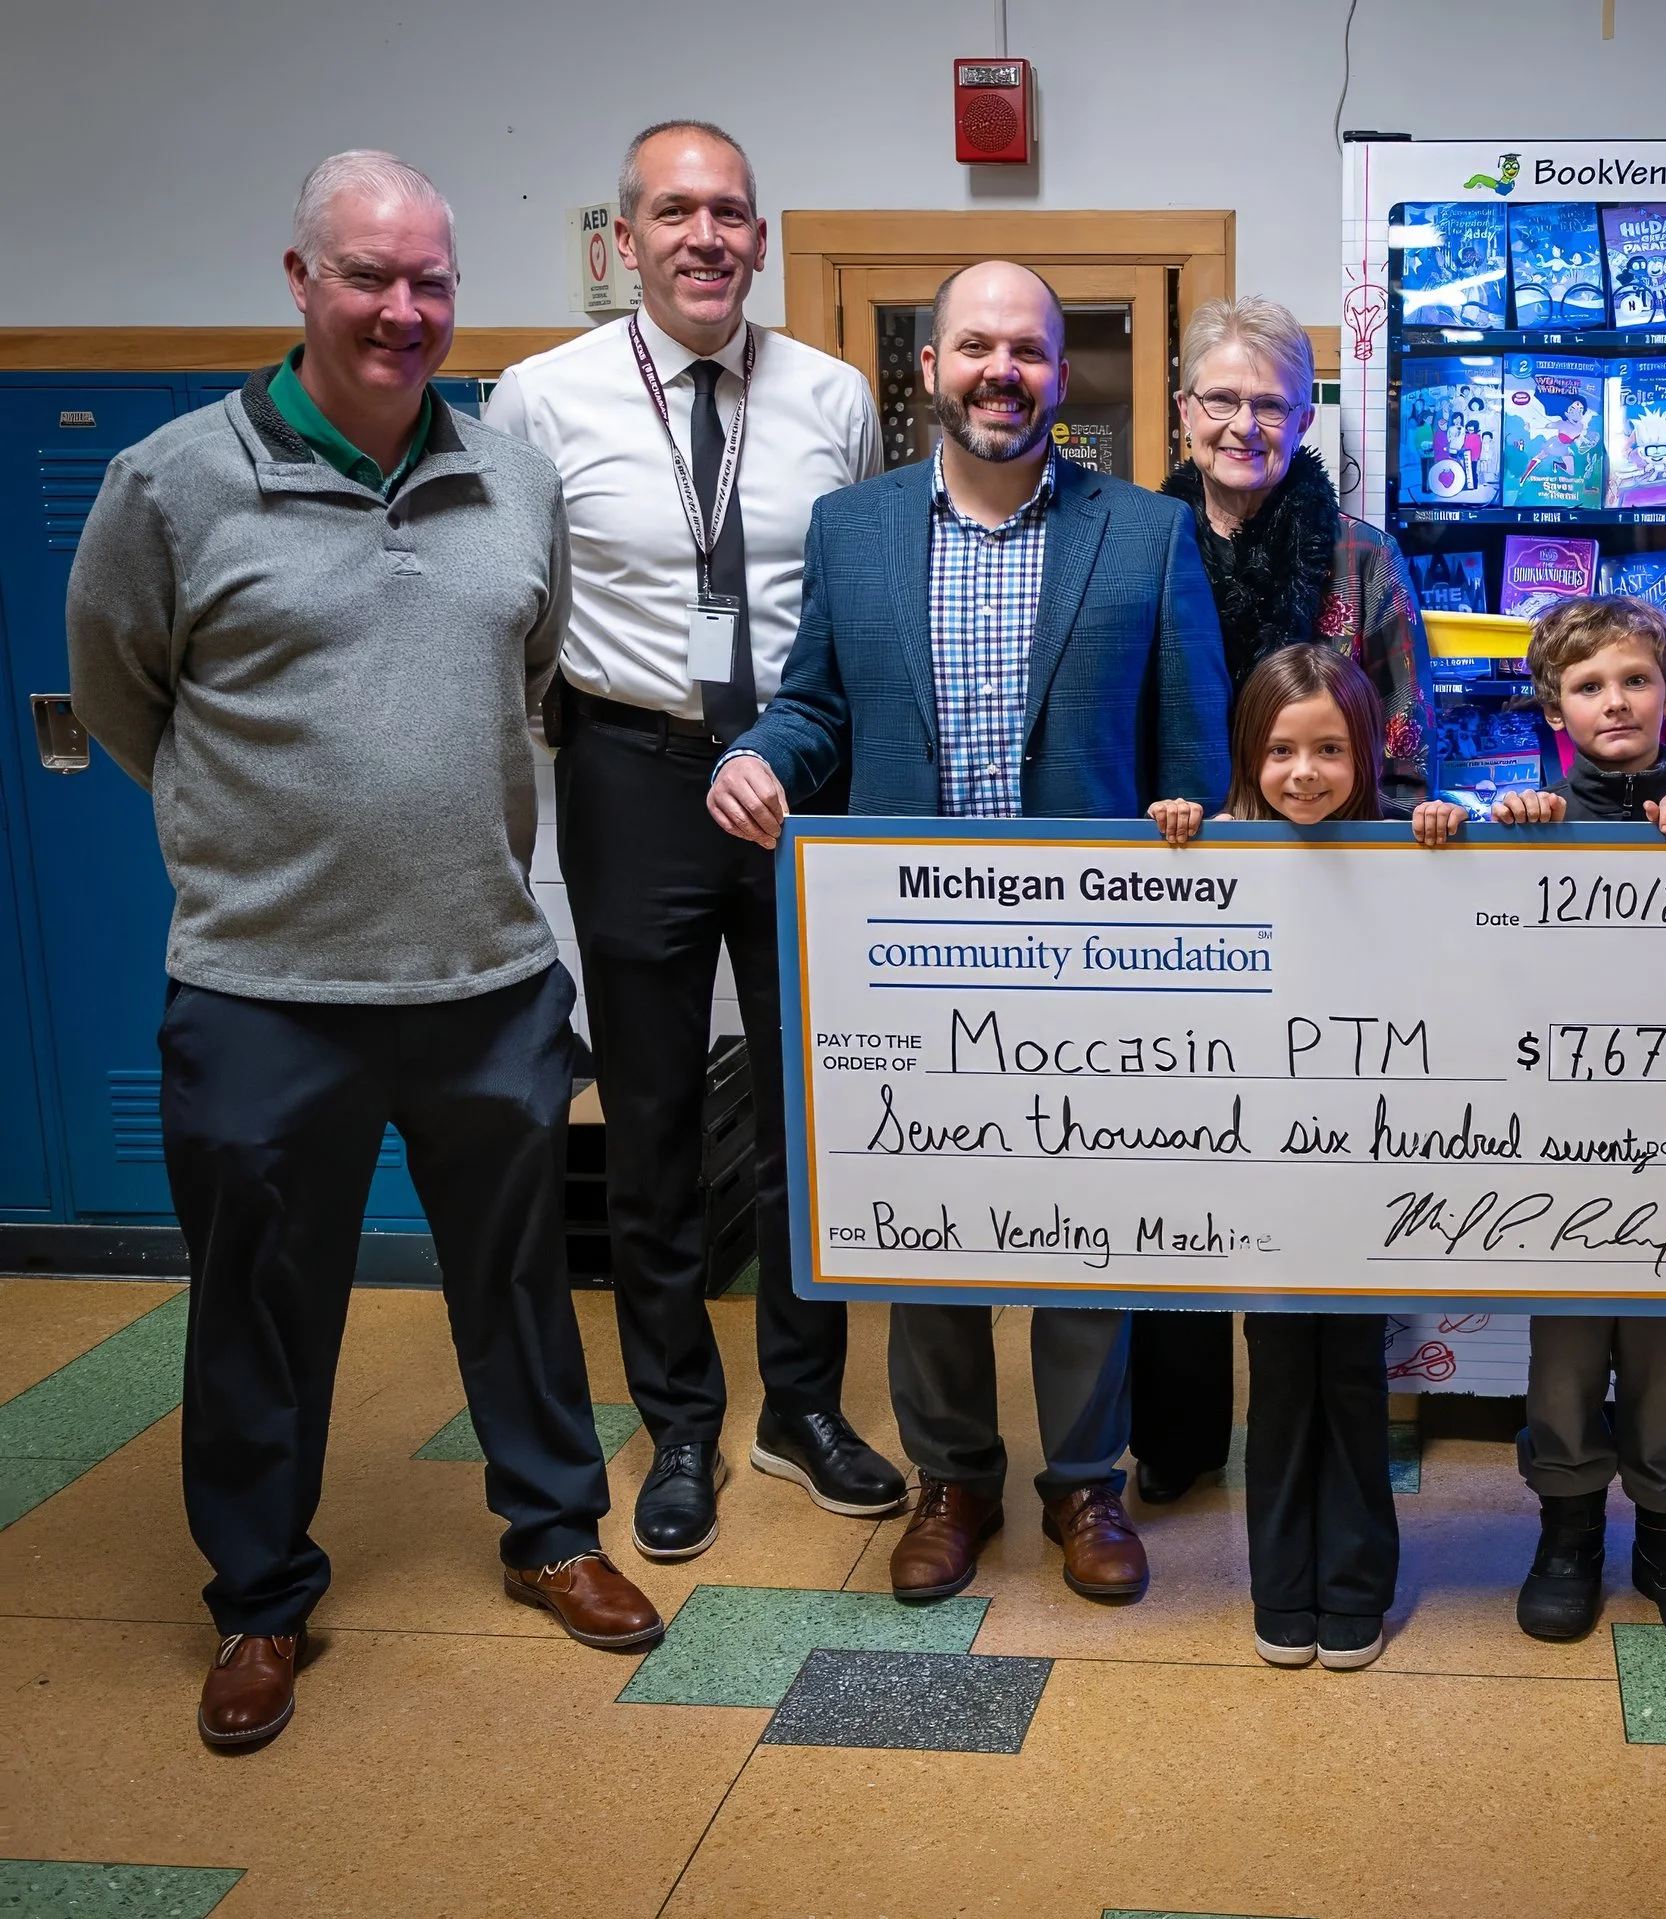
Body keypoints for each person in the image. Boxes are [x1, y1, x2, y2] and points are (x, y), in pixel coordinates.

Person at [65, 152, 660, 1751]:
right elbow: (124, 697)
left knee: (523, 1289)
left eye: (431, 282)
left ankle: (554, 1530)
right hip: (267, 990)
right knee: (259, 1303)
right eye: (368, 276)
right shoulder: (171, 484)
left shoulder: (511, 480)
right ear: (300, 278)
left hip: (484, 976)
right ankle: (260, 1596)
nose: (404, 311)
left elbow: (525, 675)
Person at [707, 260, 1231, 1605]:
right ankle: (952, 1474)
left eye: (1033, 352)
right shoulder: (853, 529)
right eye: (977, 347)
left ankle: (1083, 1480)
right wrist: (762, 751)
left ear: (1064, 373)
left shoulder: (1149, 533)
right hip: (909, 951)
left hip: (1098, 949)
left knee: (1085, 1216)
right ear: (930, 367)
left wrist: (1190, 864)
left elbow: (1191, 744)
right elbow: (818, 703)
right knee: (926, 1213)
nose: (1005, 372)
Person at [483, 121, 901, 1563]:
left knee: (812, 1112)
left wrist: (802, 746)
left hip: (800, 772)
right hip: (635, 770)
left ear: (761, 240)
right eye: (675, 212)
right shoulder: (538, 397)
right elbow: (516, 601)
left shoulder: (833, 395)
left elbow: (848, 598)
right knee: (653, 1120)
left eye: (730, 212)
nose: (706, 236)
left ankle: (803, 1404)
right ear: (625, 240)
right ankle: (676, 1423)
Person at [1131, 295, 1434, 1507]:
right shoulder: (1129, 536)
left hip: (1334, 909)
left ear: (1305, 414)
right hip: (1171, 902)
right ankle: (1179, 1430)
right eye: (1223, 398)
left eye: (1271, 401)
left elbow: (1404, 735)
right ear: (1182, 407)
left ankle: (1317, 1431)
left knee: (1305, 1159)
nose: (1244, 422)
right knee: (1177, 1160)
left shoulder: (1359, 554)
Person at [1144, 646, 1468, 1670]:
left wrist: (1452, 828)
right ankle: (1281, 1582)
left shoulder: (1404, 845)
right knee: (1279, 1380)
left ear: (1366, 751)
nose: (1303, 772)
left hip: (1366, 1174)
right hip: (1262, 1184)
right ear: (1248, 752)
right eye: (1280, 749)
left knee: (1354, 1381)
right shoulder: (1221, 846)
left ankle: (1356, 1582)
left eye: (1329, 748)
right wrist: (1180, 832)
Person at [1478, 596, 1666, 1646]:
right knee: (1562, 1353)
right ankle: (1567, 1529)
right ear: (1555, 706)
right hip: (1559, 1138)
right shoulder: (1537, 810)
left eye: (1635, 680)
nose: (1615, 701)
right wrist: (1507, 836)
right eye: (1588, 685)